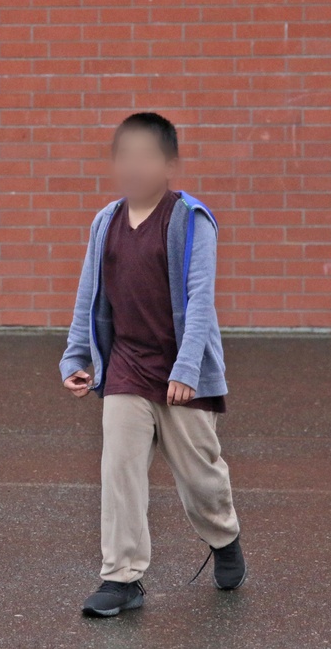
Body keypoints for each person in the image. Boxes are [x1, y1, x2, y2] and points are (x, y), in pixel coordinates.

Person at [60, 113, 247, 617]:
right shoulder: (106, 222)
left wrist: (187, 370)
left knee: (200, 476)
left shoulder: (190, 218)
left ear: (169, 164)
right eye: (126, 155)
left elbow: (201, 300)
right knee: (118, 469)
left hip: (181, 373)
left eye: (147, 156)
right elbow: (89, 297)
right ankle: (121, 578)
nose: (135, 166)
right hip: (125, 367)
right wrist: (78, 357)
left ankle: (224, 535)